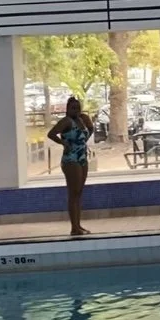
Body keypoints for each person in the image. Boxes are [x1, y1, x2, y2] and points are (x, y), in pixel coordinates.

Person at [47, 95, 94, 235]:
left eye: (78, 107)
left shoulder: (82, 119)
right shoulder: (66, 122)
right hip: (71, 158)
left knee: (79, 192)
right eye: (73, 108)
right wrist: (63, 143)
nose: (76, 110)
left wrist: (87, 128)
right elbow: (51, 134)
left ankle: (78, 225)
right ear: (67, 109)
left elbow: (89, 131)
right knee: (73, 193)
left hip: (82, 157)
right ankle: (74, 227)